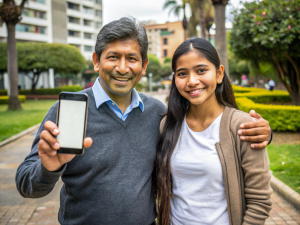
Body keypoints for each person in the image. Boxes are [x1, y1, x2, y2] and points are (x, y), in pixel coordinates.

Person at [16, 18, 272, 225]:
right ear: (96, 61)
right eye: (113, 57)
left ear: (144, 65)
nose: (123, 67)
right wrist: (48, 169)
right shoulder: (67, 111)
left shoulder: (156, 114)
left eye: (132, 58)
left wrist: (264, 133)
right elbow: (28, 186)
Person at [154, 38, 272, 225]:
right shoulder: (167, 125)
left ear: (219, 74)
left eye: (201, 70)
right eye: (182, 73)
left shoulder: (242, 127)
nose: (192, 81)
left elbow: (260, 201)